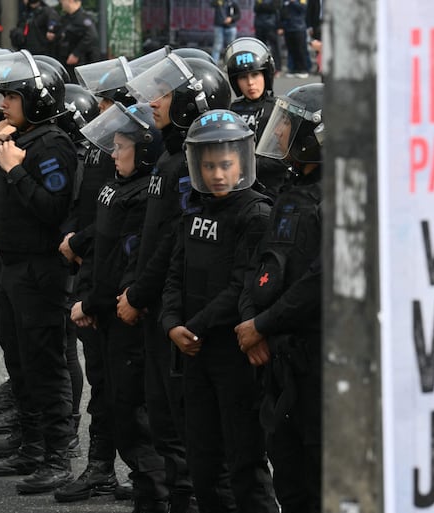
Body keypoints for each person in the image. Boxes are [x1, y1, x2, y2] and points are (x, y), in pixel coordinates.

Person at [123, 52, 233, 512]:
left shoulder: (186, 166)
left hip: (175, 313)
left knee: (185, 429)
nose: (153, 102)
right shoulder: (171, 157)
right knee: (165, 419)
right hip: (159, 309)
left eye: (164, 94)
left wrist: (138, 294)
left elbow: (173, 246)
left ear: (190, 100)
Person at [161, 109, 278, 513]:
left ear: (242, 162)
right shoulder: (196, 209)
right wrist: (170, 323)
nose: (216, 174)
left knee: (244, 463)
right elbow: (175, 272)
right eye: (208, 165)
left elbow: (240, 287)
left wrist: (190, 328)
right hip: (195, 354)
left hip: (232, 356)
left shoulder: (256, 213)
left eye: (225, 164)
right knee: (203, 462)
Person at [0, 50, 77, 495]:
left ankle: (57, 454)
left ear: (36, 100)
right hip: (11, 265)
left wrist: (16, 170)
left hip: (40, 271)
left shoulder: (51, 144)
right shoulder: (16, 136)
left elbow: (53, 208)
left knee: (45, 363)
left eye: (12, 98)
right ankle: (32, 443)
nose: (4, 104)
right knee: (18, 360)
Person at [71, 101, 170, 513]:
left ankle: (156, 494)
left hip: (124, 317)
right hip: (102, 310)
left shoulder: (144, 196)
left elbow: (124, 263)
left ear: (144, 151)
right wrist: (86, 297)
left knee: (133, 413)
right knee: (114, 403)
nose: (114, 153)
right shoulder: (115, 186)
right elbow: (100, 251)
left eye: (122, 146)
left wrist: (94, 300)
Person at [235, 83, 324, 513]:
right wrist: (252, 315)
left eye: (290, 123)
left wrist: (261, 326)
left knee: (319, 476)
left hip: (319, 367)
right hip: (280, 363)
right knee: (287, 476)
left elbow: (320, 281)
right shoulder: (289, 190)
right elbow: (263, 262)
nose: (281, 129)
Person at [223, 37, 289, 199]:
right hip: (235, 188)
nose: (250, 83)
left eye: (255, 74)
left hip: (272, 188)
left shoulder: (281, 109)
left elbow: (286, 156)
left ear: (266, 76)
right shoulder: (230, 110)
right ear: (235, 81)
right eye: (243, 77)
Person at [55, 0, 100, 83]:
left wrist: (76, 54)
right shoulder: (65, 18)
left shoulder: (83, 18)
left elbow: (91, 36)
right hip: (65, 61)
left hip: (80, 64)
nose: (61, 2)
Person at [278, 0, 309, 78]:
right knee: (291, 50)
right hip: (288, 28)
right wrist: (281, 26)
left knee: (300, 50)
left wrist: (293, 2)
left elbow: (303, 9)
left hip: (299, 28)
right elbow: (281, 12)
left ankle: (303, 69)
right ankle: (294, 69)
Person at [253, 0, 281, 75]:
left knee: (275, 48)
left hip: (271, 25)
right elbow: (256, 8)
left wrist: (262, 5)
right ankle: (261, 67)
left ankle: (277, 68)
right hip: (259, 25)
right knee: (260, 48)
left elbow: (274, 7)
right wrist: (265, 6)